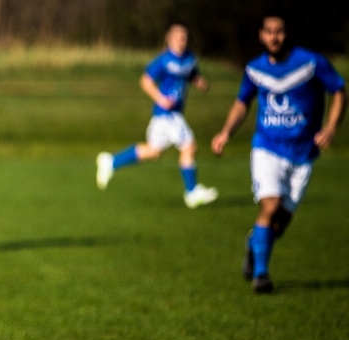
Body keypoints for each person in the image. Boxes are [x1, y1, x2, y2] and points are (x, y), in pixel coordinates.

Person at [212, 15, 345, 293]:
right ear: (261, 35)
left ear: (288, 33)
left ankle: (253, 244)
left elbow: (339, 92)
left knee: (279, 225)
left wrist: (331, 128)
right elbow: (241, 103)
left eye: (279, 32)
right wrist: (225, 132)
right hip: (267, 148)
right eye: (269, 32)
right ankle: (261, 275)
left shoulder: (311, 63)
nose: (274, 37)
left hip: (303, 154)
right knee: (269, 206)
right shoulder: (254, 69)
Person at [97, 24, 219, 208]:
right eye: (178, 37)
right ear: (168, 39)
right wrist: (160, 98)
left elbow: (192, 74)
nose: (181, 40)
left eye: (184, 37)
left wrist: (199, 81)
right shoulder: (163, 60)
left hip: (173, 114)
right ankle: (192, 192)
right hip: (166, 114)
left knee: (154, 151)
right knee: (189, 146)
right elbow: (145, 82)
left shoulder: (190, 59)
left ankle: (111, 162)